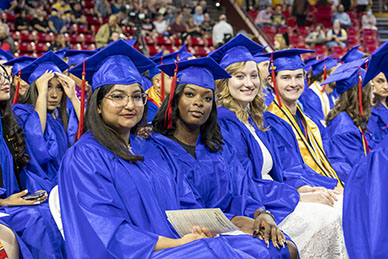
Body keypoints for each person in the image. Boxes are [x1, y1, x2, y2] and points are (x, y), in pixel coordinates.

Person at [63, 39, 265, 259]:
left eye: (137, 96)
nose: (130, 105)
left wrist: (220, 226)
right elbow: (107, 232)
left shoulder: (152, 148)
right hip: (137, 253)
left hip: (176, 243)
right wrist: (178, 243)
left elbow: (187, 202)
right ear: (98, 105)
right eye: (118, 96)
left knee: (259, 249)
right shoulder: (85, 157)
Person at [142, 56, 299, 258]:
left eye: (207, 98)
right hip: (189, 238)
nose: (199, 103)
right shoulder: (156, 149)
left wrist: (260, 214)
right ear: (175, 98)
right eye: (190, 94)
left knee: (286, 248)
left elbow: (241, 192)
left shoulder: (218, 148)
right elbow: (178, 208)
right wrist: (238, 222)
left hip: (227, 228)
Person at [210, 35, 346, 258]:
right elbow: (243, 183)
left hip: (277, 196)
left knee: (342, 206)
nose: (249, 83)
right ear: (224, 82)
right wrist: (296, 196)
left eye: (254, 75)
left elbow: (282, 171)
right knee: (328, 217)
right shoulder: (224, 124)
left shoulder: (257, 120)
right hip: (259, 205)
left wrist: (305, 188)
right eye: (239, 76)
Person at [0, 63, 66, 258]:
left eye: (5, 76)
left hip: (17, 195)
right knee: (36, 218)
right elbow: (39, 149)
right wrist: (4, 201)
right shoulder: (22, 113)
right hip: (11, 199)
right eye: (47, 87)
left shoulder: (6, 120)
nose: (5, 81)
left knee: (50, 213)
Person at [263, 49, 346, 187]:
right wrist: (330, 185)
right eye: (286, 77)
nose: (294, 83)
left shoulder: (309, 119)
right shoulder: (270, 123)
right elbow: (289, 172)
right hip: (305, 190)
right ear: (272, 81)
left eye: (298, 76)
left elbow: (331, 155)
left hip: (323, 183)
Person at [13, 51, 80, 192]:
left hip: (64, 181)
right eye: (48, 86)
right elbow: (36, 139)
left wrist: (73, 97)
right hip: (36, 184)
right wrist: (42, 93)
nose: (54, 94)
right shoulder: (21, 112)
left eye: (59, 88)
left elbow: (87, 132)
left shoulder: (60, 116)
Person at [323, 59, 374, 172]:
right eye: (371, 88)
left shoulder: (351, 118)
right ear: (361, 93)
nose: (373, 93)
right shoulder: (344, 125)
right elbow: (351, 169)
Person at [146, 46, 193, 122]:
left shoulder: (177, 98)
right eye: (172, 77)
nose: (177, 80)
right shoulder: (148, 106)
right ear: (157, 82)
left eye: (177, 75)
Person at [299, 56, 338, 127]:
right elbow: (319, 126)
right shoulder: (312, 96)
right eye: (335, 73)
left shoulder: (332, 94)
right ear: (325, 76)